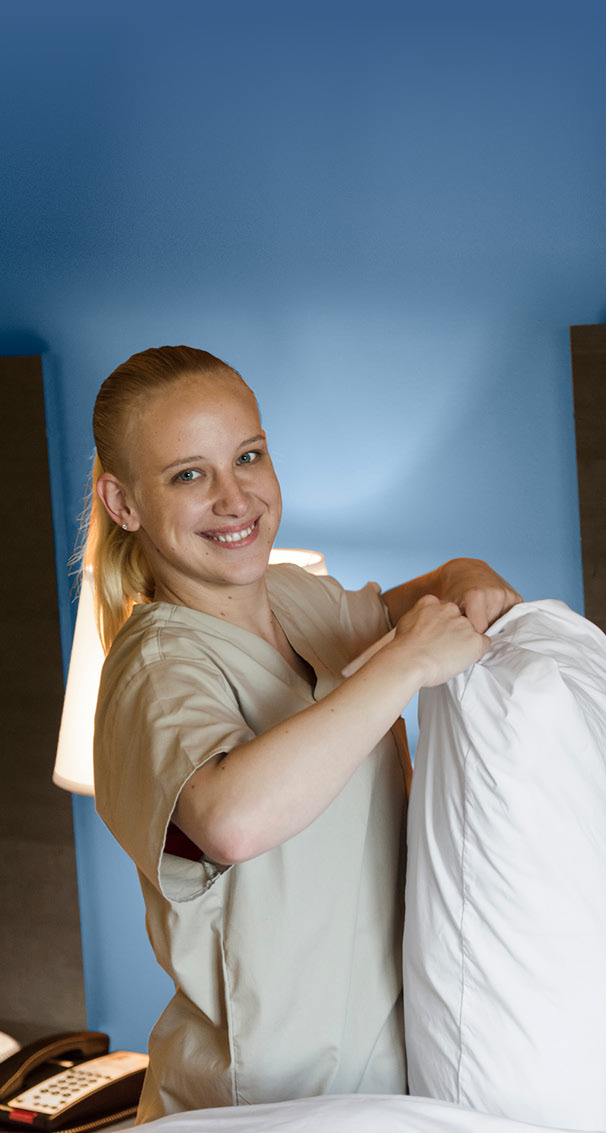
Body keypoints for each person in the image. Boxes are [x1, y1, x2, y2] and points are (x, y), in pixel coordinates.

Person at [87, 346, 520, 1121]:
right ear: (123, 503)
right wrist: (401, 668)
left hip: (384, 1085)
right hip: (263, 1106)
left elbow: (405, 604)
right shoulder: (155, 665)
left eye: (248, 455)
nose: (234, 497)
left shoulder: (294, 598)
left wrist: (462, 572)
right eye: (190, 474)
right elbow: (231, 817)